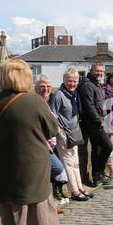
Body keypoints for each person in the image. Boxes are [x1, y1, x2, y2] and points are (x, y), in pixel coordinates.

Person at [0, 59, 71, 225]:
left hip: (6, 165)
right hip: (34, 166)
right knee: (44, 207)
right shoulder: (34, 101)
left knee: (14, 210)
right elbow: (52, 130)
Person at [51, 68, 92, 201]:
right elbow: (53, 115)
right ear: (64, 81)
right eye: (70, 81)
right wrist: (60, 133)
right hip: (64, 134)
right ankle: (74, 191)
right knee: (68, 163)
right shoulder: (59, 95)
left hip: (74, 132)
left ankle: (79, 187)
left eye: (74, 81)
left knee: (75, 162)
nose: (72, 84)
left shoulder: (74, 94)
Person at [35, 76, 73, 206]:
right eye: (42, 86)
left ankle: (56, 195)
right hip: (42, 144)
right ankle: (49, 200)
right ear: (36, 88)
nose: (45, 89)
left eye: (48, 86)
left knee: (55, 170)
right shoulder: (35, 102)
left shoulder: (52, 100)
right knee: (57, 168)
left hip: (54, 142)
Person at [79, 64, 113, 186]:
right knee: (108, 146)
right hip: (93, 123)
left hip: (98, 121)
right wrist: (99, 121)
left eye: (101, 71)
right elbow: (89, 106)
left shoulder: (96, 84)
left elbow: (99, 103)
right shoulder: (88, 85)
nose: (99, 73)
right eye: (97, 70)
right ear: (91, 71)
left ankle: (98, 176)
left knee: (97, 149)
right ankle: (98, 174)